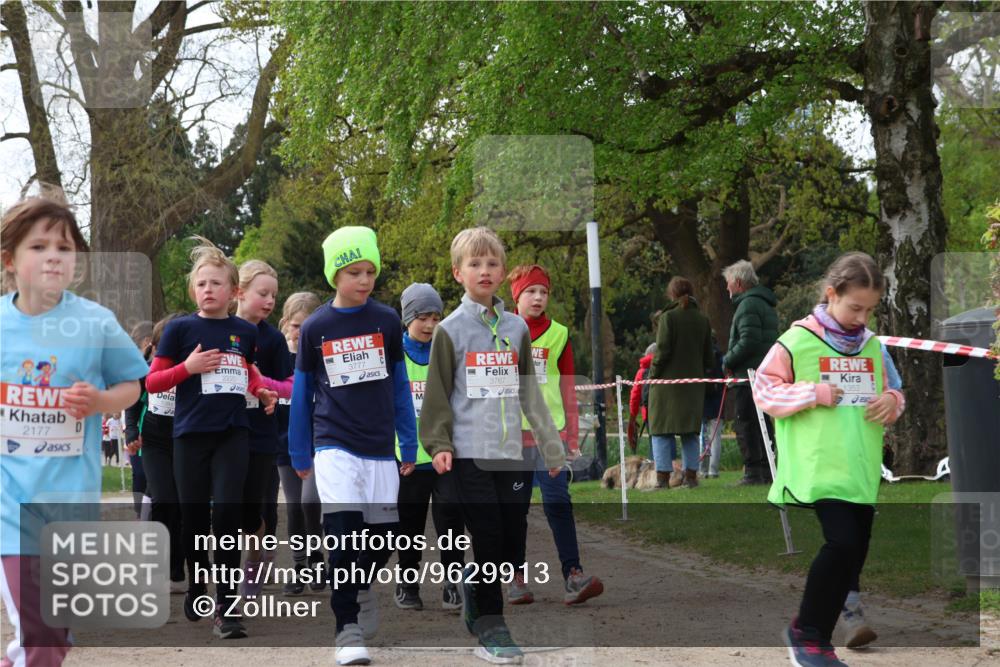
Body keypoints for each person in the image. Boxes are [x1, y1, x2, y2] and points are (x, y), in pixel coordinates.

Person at [1, 196, 147, 667]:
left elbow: (132, 385)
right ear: (10, 260)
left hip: (71, 503)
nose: (52, 256)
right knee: (41, 635)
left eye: (63, 248)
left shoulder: (95, 323)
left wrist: (100, 401)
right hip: (10, 507)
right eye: (38, 246)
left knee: (55, 635)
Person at [752, 251, 905, 667]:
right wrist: (812, 393)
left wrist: (891, 401)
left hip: (859, 466)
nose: (862, 317)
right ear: (831, 294)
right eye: (855, 307)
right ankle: (809, 636)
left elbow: (896, 389)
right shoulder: (797, 340)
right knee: (842, 543)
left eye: (870, 310)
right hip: (818, 465)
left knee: (855, 551)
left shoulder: (873, 344)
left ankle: (812, 634)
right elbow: (764, 391)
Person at [420, 227, 565, 664]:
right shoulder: (449, 330)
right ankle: (492, 628)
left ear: (503, 272)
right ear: (458, 273)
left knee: (508, 542)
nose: (484, 271)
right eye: (475, 264)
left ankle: (473, 593)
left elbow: (529, 394)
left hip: (513, 455)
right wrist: (438, 442)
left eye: (492, 263)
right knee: (486, 537)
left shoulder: (517, 327)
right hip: (469, 453)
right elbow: (438, 393)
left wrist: (550, 444)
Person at [288, 226, 418, 666]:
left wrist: (409, 440)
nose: (364, 280)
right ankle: (346, 629)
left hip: (381, 448)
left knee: (383, 537)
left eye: (370, 271)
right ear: (334, 276)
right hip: (333, 446)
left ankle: (357, 584)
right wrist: (300, 450)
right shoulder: (315, 327)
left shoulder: (386, 320)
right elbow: (303, 392)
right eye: (353, 272)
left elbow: (400, 386)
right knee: (342, 533)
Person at [145, 237, 277, 640]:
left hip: (233, 434)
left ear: (233, 290)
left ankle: (226, 608)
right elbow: (153, 382)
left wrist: (261, 390)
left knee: (227, 516)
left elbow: (247, 369)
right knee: (194, 519)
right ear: (193, 290)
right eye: (202, 283)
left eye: (216, 283)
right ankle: (197, 585)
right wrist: (188, 366)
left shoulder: (243, 331)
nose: (208, 290)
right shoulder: (181, 330)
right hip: (189, 436)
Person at [505, 264, 603, 606]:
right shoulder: (497, 331)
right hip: (510, 435)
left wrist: (572, 436)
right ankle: (515, 578)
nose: (537, 298)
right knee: (514, 510)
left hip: (551, 435)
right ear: (516, 296)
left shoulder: (559, 334)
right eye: (530, 291)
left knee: (558, 502)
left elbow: (567, 386)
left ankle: (573, 574)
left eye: (543, 292)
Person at [392, 283, 466, 613]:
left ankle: (453, 581)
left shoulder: (447, 350)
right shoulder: (393, 353)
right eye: (422, 317)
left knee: (451, 518)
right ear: (408, 318)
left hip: (445, 452)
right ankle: (408, 583)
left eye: (436, 317)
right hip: (407, 456)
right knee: (409, 524)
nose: (430, 324)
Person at [234, 260, 294, 600]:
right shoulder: (216, 329)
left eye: (274, 294)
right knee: (225, 506)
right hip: (222, 429)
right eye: (263, 293)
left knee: (258, 508)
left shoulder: (271, 339)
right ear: (240, 293)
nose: (270, 300)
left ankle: (254, 565)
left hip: (260, 433)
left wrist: (256, 381)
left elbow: (290, 386)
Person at [124, 313, 187, 593]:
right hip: (155, 443)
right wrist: (131, 433)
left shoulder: (196, 370)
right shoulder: (146, 369)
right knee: (163, 499)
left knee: (186, 508)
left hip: (188, 443)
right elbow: (132, 403)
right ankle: (161, 567)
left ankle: (177, 569)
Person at [275, 291, 325, 596]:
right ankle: (298, 564)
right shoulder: (277, 355)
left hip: (318, 439)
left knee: (311, 501)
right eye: (296, 326)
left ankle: (317, 556)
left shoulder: (322, 356)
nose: (301, 333)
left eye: (307, 327)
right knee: (294, 506)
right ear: (284, 324)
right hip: (284, 441)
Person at [647, 277, 715, 489]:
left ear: (671, 295)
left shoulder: (668, 318)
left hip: (666, 386)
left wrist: (653, 374)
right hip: (693, 386)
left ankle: (662, 480)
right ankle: (691, 477)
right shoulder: (703, 320)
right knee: (690, 433)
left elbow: (663, 350)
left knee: (660, 431)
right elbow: (709, 358)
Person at [721, 259, 779, 485]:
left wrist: (728, 359)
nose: (727, 288)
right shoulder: (764, 303)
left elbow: (749, 341)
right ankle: (767, 469)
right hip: (762, 373)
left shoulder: (748, 305)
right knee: (761, 423)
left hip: (747, 375)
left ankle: (754, 472)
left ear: (737, 282)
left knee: (745, 422)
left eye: (728, 284)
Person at [699, 338, 726, 479]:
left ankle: (702, 469)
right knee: (715, 438)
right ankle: (713, 470)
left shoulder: (699, 356)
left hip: (702, 402)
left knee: (703, 438)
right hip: (717, 402)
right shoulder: (720, 358)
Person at [627, 343, 656, 452]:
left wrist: (633, 418)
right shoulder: (667, 367)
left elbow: (635, 397)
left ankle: (656, 466)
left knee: (654, 442)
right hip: (667, 412)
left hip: (649, 414)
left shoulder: (642, 372)